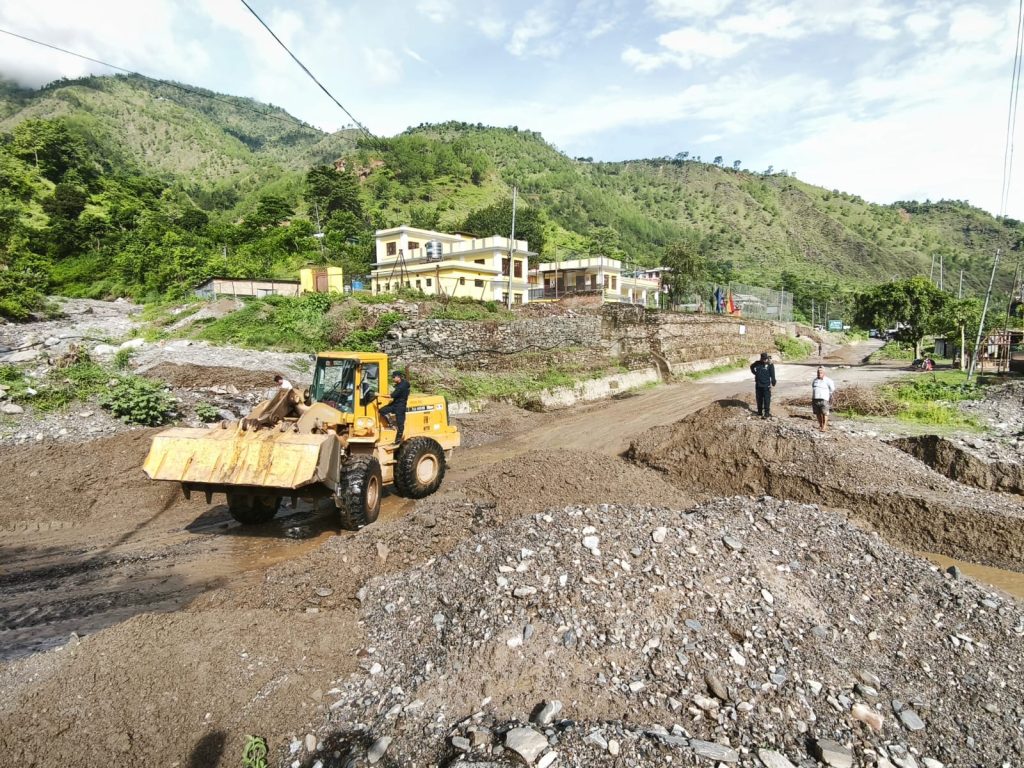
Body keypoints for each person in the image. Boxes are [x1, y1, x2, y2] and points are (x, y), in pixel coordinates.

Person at [379, 370, 410, 443]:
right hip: (395, 404)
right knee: (382, 410)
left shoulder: (402, 386)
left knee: (400, 424)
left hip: (400, 406)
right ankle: (391, 424)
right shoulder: (401, 383)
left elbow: (391, 396)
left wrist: (379, 395)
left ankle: (398, 440)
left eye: (394, 377)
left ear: (398, 377)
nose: (393, 379)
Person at [749, 352, 777, 419]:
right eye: (763, 359)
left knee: (767, 399)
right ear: (761, 358)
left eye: (765, 359)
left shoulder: (770, 365)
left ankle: (766, 413)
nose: (764, 360)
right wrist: (755, 373)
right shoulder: (757, 363)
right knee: (759, 399)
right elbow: (751, 367)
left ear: (767, 358)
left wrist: (773, 381)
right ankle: (759, 412)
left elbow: (773, 375)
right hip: (758, 385)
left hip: (766, 385)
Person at [811, 366, 836, 432]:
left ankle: (824, 426)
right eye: (818, 372)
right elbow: (813, 387)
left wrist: (829, 396)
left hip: (824, 399)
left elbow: (832, 389)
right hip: (815, 399)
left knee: (825, 413)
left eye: (821, 372)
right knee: (817, 413)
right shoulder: (815, 380)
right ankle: (821, 425)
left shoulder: (828, 380)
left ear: (824, 373)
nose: (819, 374)